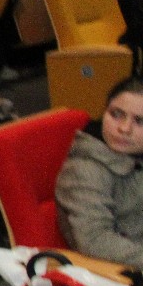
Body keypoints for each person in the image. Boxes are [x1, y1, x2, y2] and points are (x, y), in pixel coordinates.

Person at [56, 78, 143, 269]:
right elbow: (95, 240)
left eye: (139, 121)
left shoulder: (135, 154)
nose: (124, 129)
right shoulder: (84, 169)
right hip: (121, 272)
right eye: (116, 114)